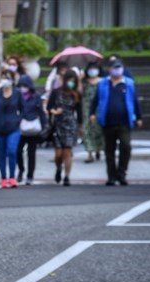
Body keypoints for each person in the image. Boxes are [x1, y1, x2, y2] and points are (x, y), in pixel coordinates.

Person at [89, 58, 143, 186]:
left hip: (124, 121)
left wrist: (139, 117)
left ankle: (121, 173)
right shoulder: (103, 83)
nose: (117, 70)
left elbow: (134, 101)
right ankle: (111, 176)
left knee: (126, 146)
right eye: (115, 67)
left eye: (119, 67)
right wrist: (92, 113)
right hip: (108, 121)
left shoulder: (128, 83)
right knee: (109, 150)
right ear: (109, 69)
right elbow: (95, 100)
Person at [0, 69, 25, 188]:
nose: (5, 80)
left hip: (13, 127)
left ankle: (12, 177)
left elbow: (24, 109)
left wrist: (18, 119)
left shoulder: (17, 93)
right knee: (2, 154)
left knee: (11, 151)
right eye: (3, 77)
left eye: (8, 77)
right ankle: (4, 177)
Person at [47, 70, 83, 186]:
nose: (71, 83)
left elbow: (80, 112)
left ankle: (67, 176)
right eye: (70, 80)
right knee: (58, 154)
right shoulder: (56, 92)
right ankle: (58, 168)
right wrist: (55, 112)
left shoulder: (76, 94)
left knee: (67, 152)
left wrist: (80, 127)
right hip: (58, 124)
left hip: (70, 124)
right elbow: (49, 107)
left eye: (74, 81)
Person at [16, 75, 48, 185]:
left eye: (25, 86)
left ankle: (30, 175)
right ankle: (21, 170)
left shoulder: (36, 96)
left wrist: (45, 125)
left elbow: (41, 112)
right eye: (20, 86)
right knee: (17, 151)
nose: (22, 88)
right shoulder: (17, 95)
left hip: (33, 127)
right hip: (20, 126)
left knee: (31, 153)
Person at [81, 61, 105, 164]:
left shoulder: (103, 81)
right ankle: (90, 153)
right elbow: (79, 92)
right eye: (90, 68)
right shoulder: (84, 82)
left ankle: (98, 149)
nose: (92, 71)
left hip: (100, 108)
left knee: (99, 129)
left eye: (94, 68)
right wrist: (79, 79)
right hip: (86, 108)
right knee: (87, 130)